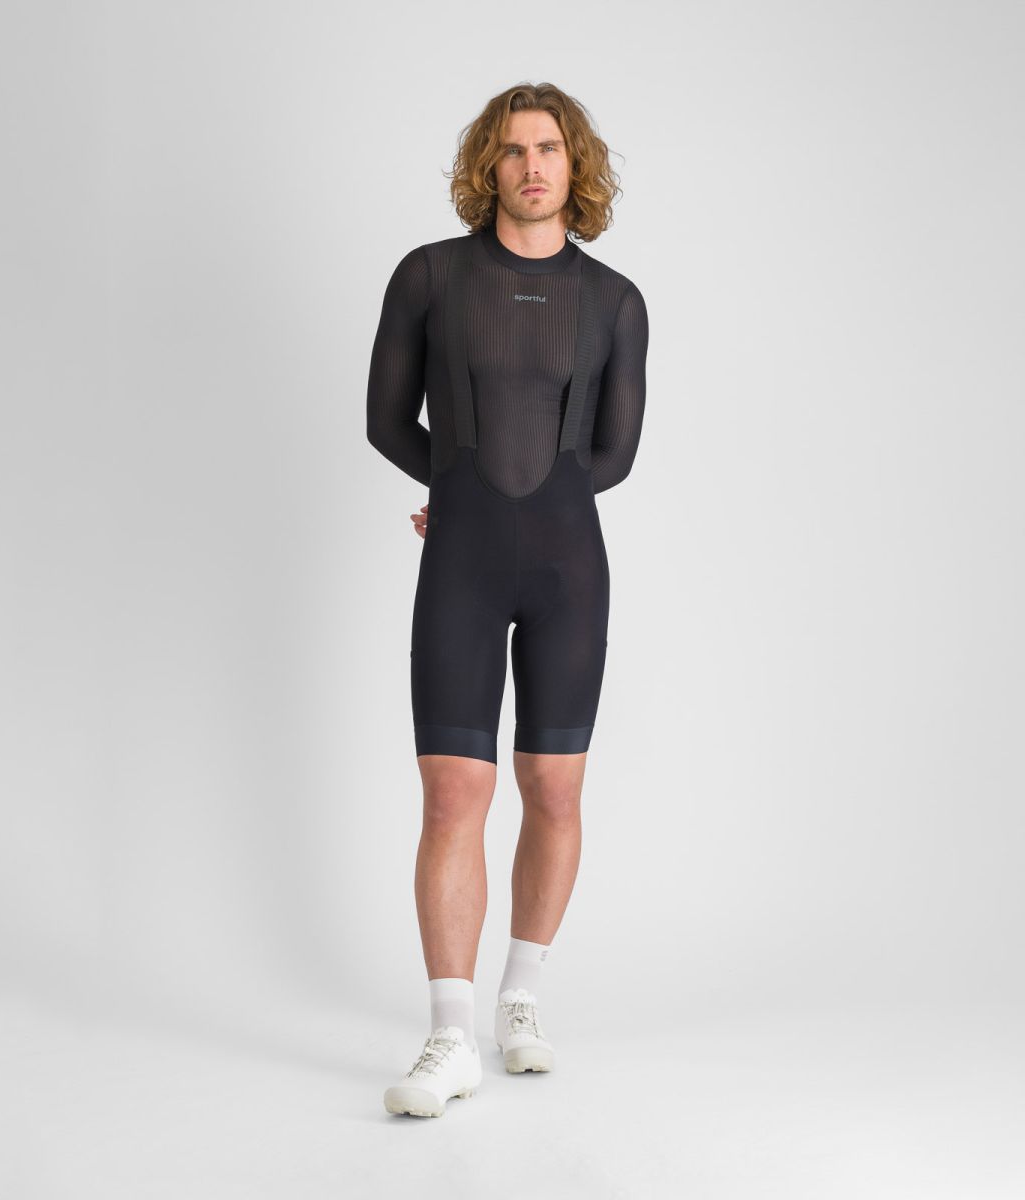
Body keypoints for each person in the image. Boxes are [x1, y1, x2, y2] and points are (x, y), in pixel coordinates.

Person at [367, 81, 648, 1118]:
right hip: (463, 567)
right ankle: (450, 1037)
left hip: (570, 570)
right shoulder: (430, 277)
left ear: (577, 167)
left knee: (555, 790)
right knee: (453, 797)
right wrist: (459, 490)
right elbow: (386, 420)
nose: (533, 166)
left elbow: (613, 455)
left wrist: (518, 501)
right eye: (514, 149)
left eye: (551, 149)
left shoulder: (615, 300)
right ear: (488, 165)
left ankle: (518, 997)